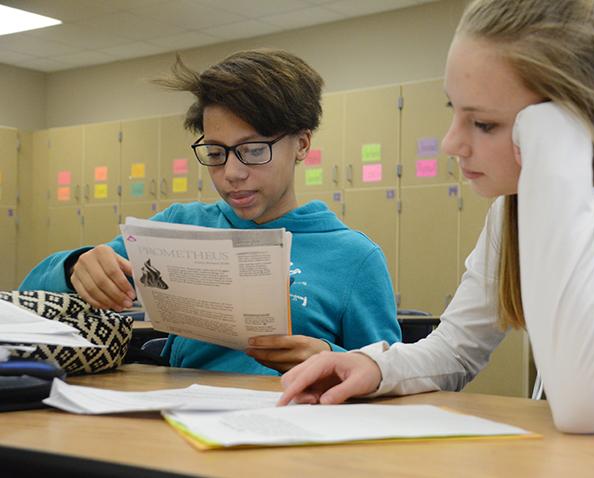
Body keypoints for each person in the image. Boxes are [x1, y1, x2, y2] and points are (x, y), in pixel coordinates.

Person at [278, 0, 594, 433]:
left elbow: (591, 401)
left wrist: (553, 161)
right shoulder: (514, 207)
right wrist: (376, 366)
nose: (452, 143)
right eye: (454, 110)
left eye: (485, 124)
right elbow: (455, 349)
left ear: (573, 122)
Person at [20, 49, 401, 375]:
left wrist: (331, 360)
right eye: (216, 153)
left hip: (292, 435)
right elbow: (29, 294)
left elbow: (394, 377)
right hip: (181, 420)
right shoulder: (179, 227)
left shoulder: (355, 258)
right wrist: (75, 267)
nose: (232, 174)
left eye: (253, 151)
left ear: (301, 144)